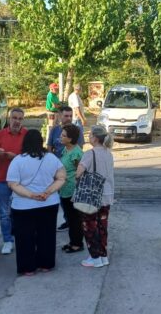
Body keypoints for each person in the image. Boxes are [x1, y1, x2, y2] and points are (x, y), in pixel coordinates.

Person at [6, 130, 66, 276]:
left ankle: (28, 268)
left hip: (23, 205)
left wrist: (31, 195)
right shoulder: (52, 158)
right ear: (41, 142)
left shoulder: (18, 160)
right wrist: (48, 192)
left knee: (24, 237)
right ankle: (46, 264)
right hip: (48, 203)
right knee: (47, 235)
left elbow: (13, 184)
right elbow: (61, 178)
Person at [0, 108, 27, 254]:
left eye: (20, 119)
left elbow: (32, 157)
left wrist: (15, 157)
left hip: (22, 180)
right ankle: (7, 241)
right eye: (14, 118)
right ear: (9, 119)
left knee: (21, 212)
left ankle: (22, 238)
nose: (17, 121)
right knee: (4, 213)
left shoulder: (27, 135)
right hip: (3, 178)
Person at [76, 125, 115, 268]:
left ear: (95, 138)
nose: (89, 137)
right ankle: (103, 256)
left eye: (90, 135)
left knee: (90, 226)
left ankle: (95, 257)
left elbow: (79, 173)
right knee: (102, 226)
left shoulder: (89, 154)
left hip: (92, 196)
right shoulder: (108, 153)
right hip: (107, 194)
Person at [47, 106, 85, 231]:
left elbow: (78, 153)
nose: (68, 118)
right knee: (60, 198)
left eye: (70, 115)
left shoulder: (76, 130)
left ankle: (71, 222)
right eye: (66, 115)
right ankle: (68, 219)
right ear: (59, 116)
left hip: (69, 175)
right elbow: (49, 147)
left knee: (69, 201)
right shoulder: (54, 130)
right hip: (56, 170)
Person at [58, 124, 84, 253]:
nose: (60, 137)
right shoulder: (65, 149)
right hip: (64, 189)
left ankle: (77, 244)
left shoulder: (76, 153)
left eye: (63, 136)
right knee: (69, 218)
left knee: (74, 219)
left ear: (70, 138)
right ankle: (73, 241)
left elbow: (81, 171)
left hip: (73, 190)